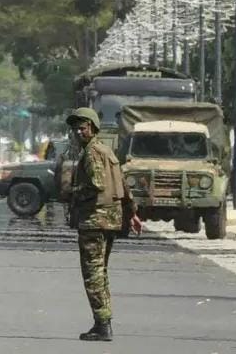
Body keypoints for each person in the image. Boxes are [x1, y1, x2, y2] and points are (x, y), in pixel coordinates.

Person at [66, 107, 142, 342]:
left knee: (93, 274)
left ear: (93, 127)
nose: (79, 131)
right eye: (76, 127)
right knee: (101, 272)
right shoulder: (107, 151)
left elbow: (96, 186)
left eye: (83, 126)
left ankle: (102, 324)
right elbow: (123, 185)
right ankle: (103, 321)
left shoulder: (91, 153)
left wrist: (71, 192)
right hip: (110, 220)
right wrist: (132, 213)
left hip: (94, 221)